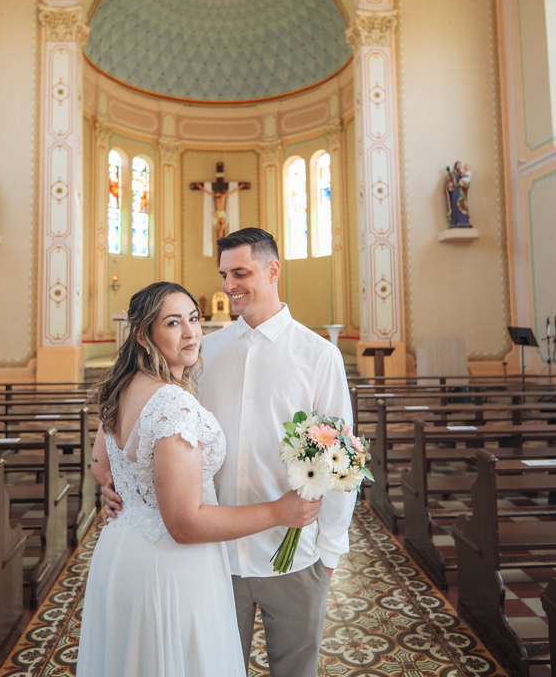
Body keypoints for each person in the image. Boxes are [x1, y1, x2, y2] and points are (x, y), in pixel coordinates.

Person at [78, 281, 322, 677]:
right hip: (170, 568)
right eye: (173, 323)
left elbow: (98, 464)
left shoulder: (122, 388)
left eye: (193, 318)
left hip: (121, 552)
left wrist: (118, 488)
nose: (192, 332)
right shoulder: (173, 403)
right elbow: (185, 524)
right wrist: (280, 511)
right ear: (144, 335)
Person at [199, 227, 357, 677]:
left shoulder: (319, 356)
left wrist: (329, 552)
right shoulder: (207, 352)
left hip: (294, 558)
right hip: (217, 556)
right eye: (225, 274)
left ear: (272, 271)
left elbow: (340, 463)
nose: (229, 285)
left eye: (241, 272)